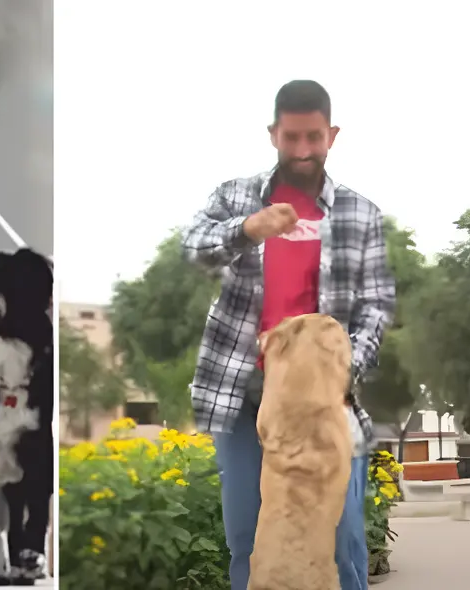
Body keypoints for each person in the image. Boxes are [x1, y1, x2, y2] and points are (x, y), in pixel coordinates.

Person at [181, 80, 395, 590]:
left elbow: (376, 305)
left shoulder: (359, 213)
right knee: (249, 543)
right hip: (243, 396)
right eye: (292, 137)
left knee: (340, 543)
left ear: (332, 136)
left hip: (326, 402)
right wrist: (247, 230)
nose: (303, 150)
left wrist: (340, 370)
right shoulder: (234, 197)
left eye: (314, 138)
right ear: (274, 134)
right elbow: (192, 248)